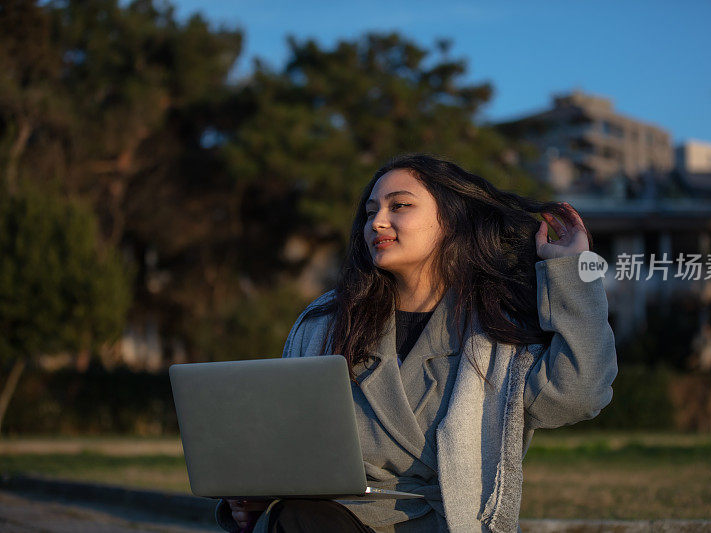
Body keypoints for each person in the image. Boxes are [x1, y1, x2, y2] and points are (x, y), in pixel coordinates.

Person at [215, 153, 618, 533]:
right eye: (371, 212)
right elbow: (290, 439)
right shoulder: (325, 324)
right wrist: (254, 493)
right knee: (300, 516)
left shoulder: (497, 334)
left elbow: (580, 395)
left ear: (453, 222)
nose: (377, 222)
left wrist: (571, 270)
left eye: (399, 206)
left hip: (446, 523)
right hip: (330, 519)